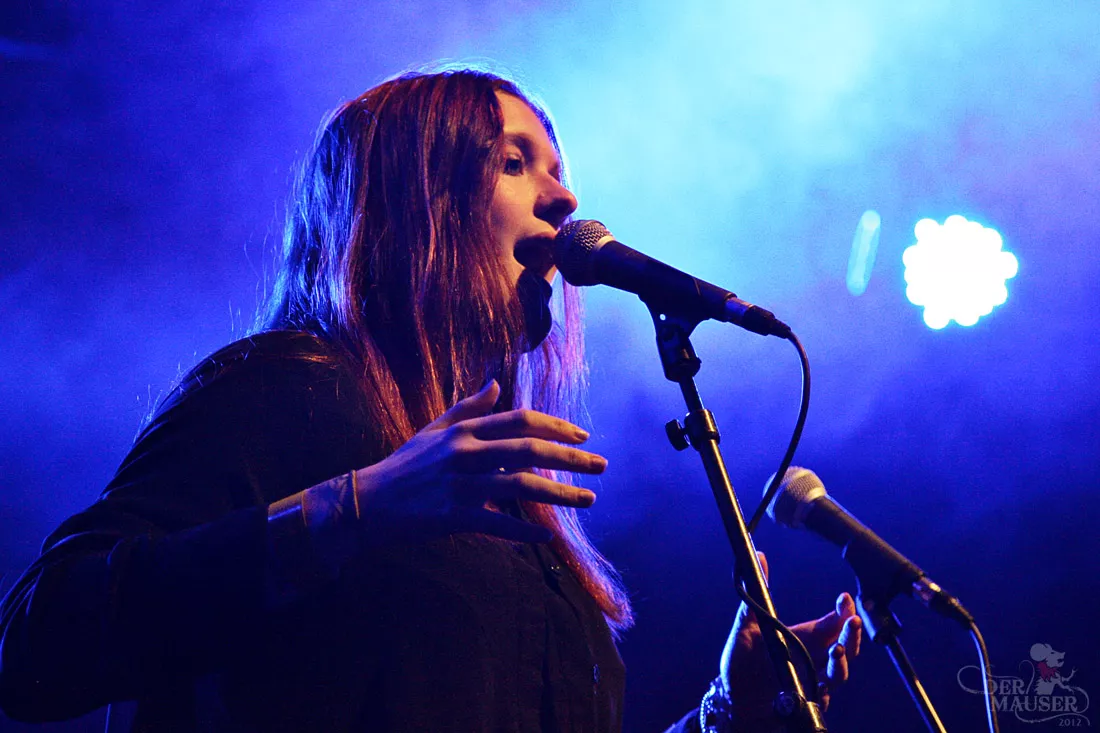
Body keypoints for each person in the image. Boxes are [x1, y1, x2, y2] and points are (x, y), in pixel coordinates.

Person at [0, 68, 861, 732]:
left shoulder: (509, 493)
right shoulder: (288, 386)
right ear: (414, 205)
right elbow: (36, 643)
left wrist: (726, 712)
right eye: (513, 163)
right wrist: (356, 505)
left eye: (558, 170)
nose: (565, 198)